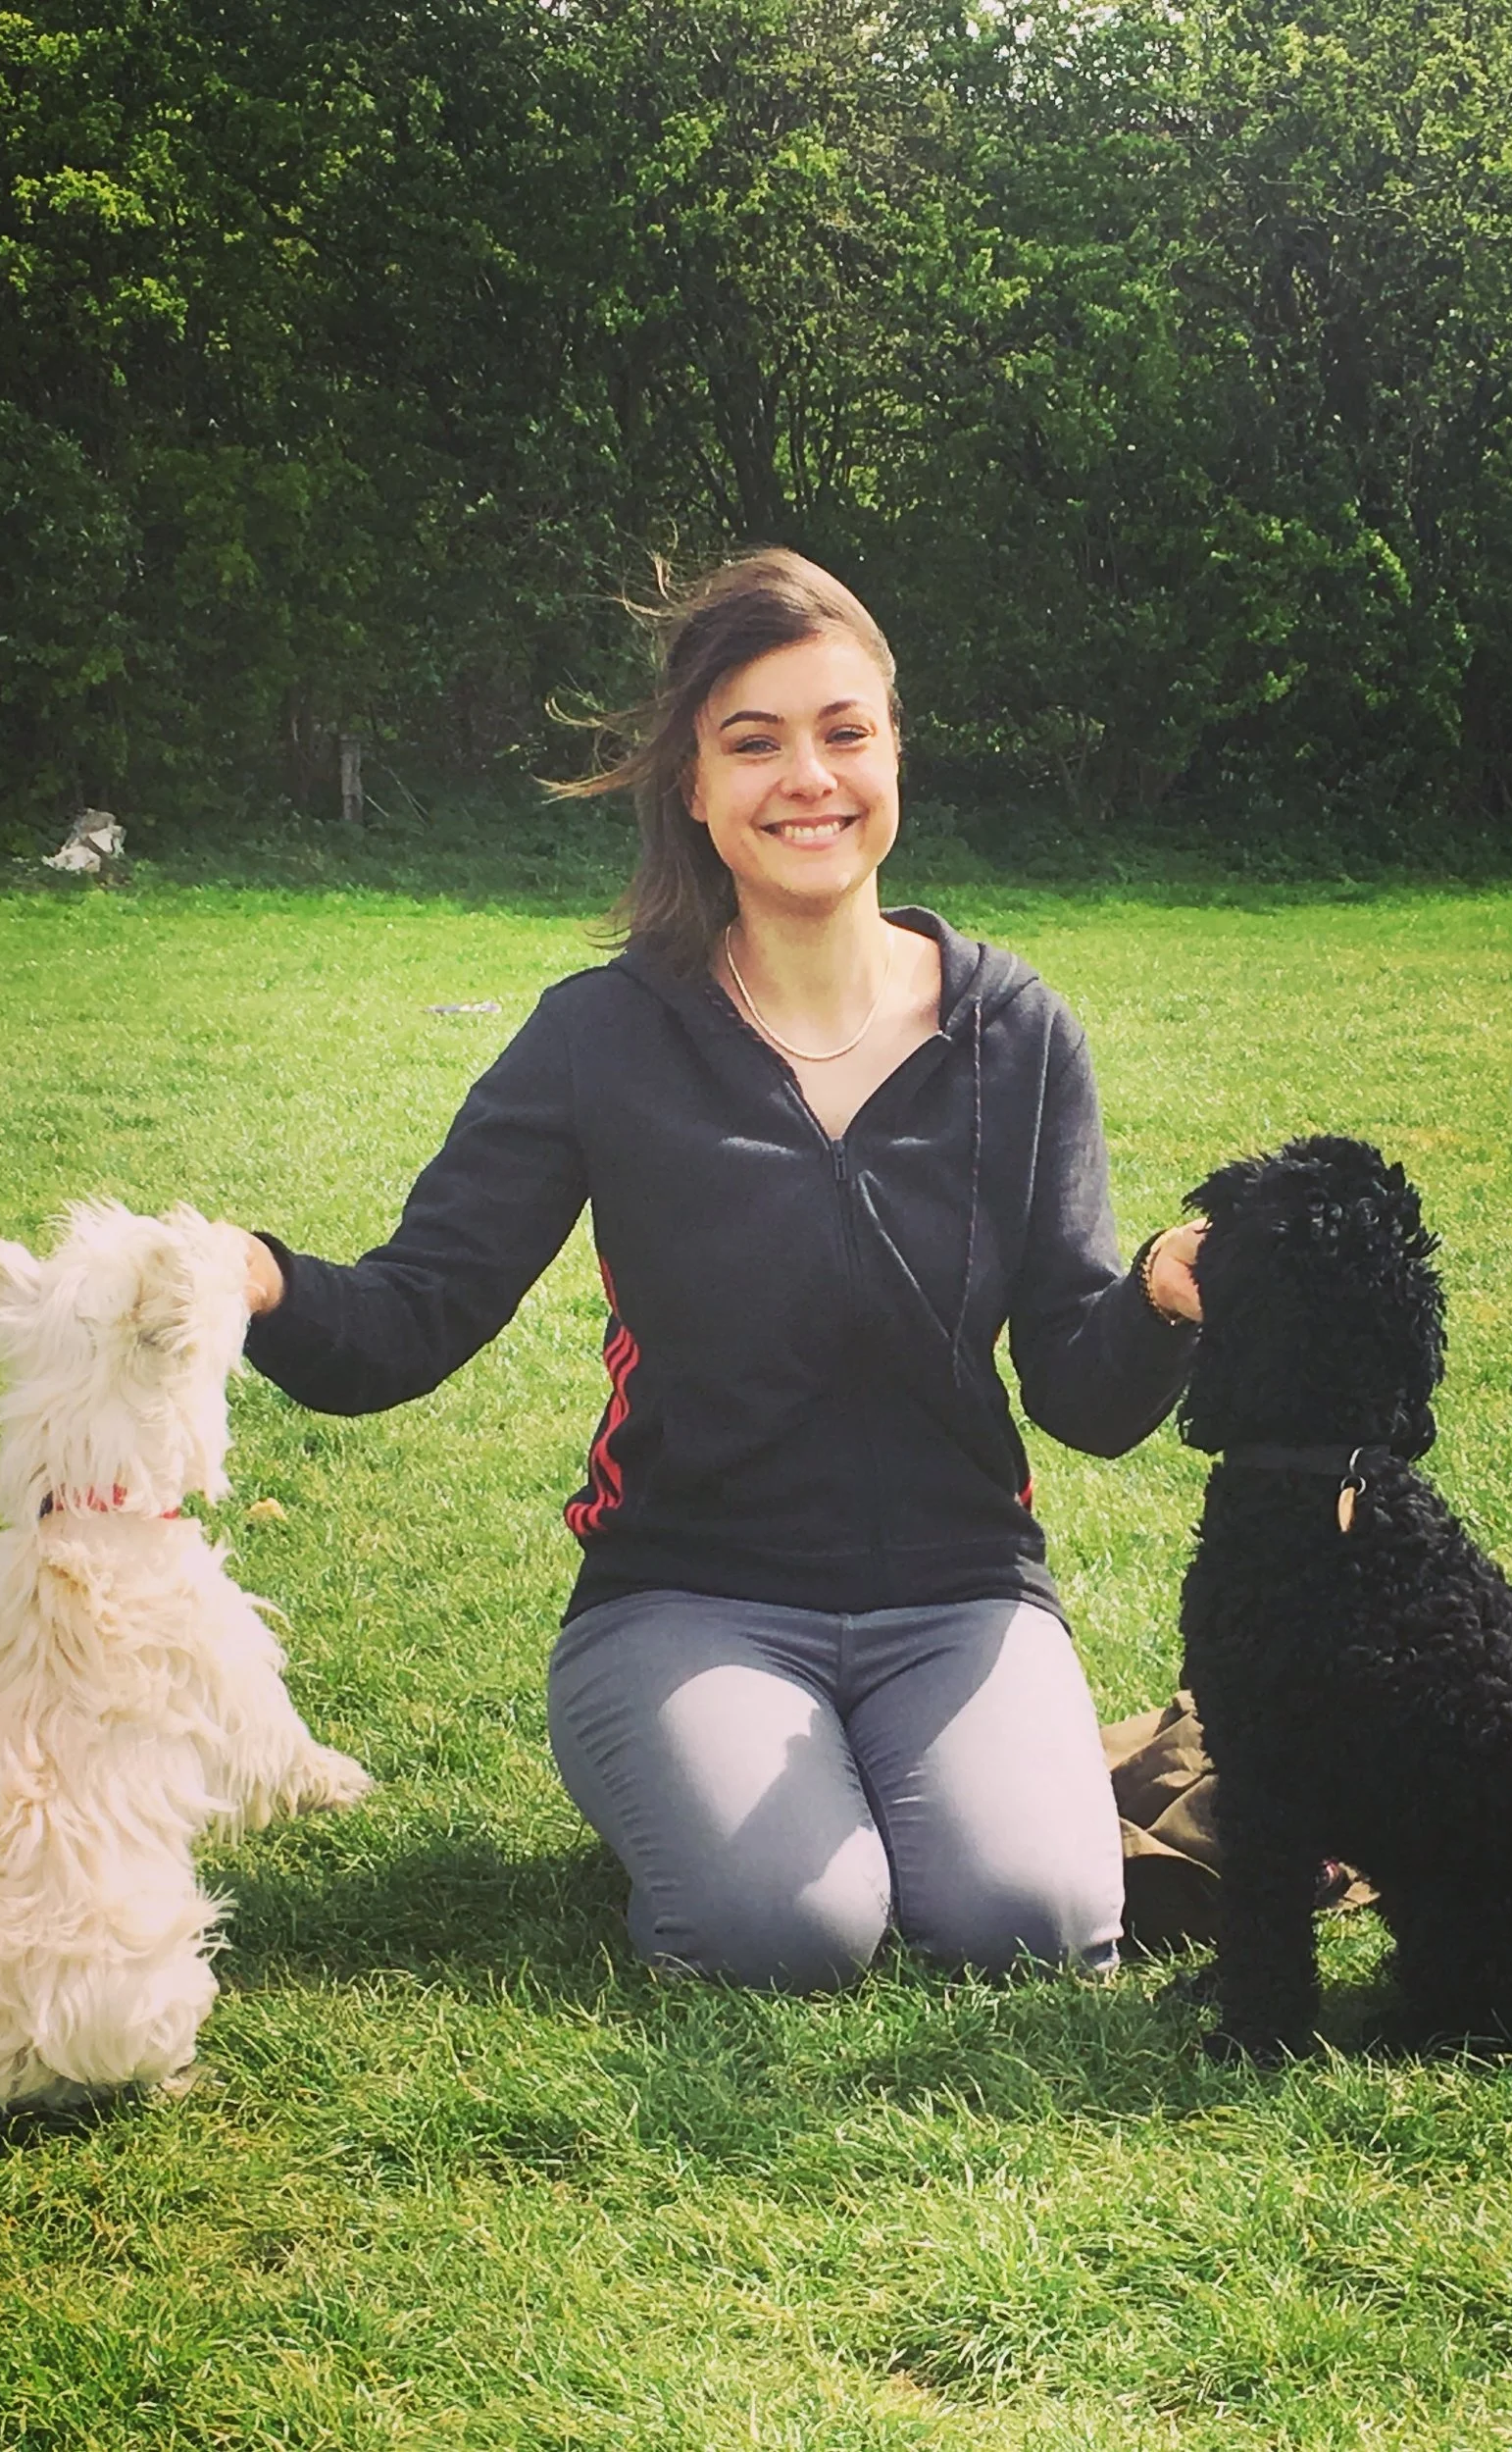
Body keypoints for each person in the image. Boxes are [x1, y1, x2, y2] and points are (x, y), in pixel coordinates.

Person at [240, 549, 1205, 1988]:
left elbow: (1081, 1385)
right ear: (692, 788)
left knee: (1036, 1932)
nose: (807, 777)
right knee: (782, 1933)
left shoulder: (1017, 1028)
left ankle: (972, 1785)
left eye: (843, 733)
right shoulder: (601, 1037)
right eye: (752, 743)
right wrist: (251, 1276)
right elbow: (407, 1320)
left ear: (893, 754)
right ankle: (726, 1786)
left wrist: (1163, 1293)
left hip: (960, 1593)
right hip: (683, 1599)